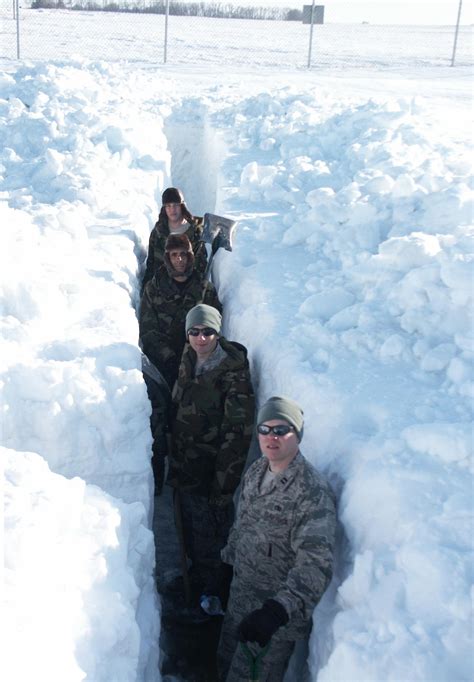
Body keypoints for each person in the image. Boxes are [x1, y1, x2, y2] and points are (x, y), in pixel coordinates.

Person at [214, 396, 337, 682]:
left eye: (282, 430)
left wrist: (276, 611)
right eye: (265, 429)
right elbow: (242, 524)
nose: (272, 437)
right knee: (222, 666)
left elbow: (316, 565)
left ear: (298, 435)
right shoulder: (256, 471)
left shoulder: (311, 493)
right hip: (239, 602)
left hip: (270, 625)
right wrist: (226, 566)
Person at [166, 303, 255, 595]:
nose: (201, 338)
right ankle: (196, 583)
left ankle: (212, 597)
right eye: (194, 331)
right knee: (191, 532)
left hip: (211, 476)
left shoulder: (233, 377)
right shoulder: (189, 357)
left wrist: (223, 488)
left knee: (212, 541)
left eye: (208, 332)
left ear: (218, 334)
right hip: (187, 466)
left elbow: (237, 437)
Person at [139, 234, 221, 495]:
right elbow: (147, 328)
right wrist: (166, 355)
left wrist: (195, 353)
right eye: (174, 255)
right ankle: (156, 483)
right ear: (167, 257)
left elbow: (215, 325)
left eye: (184, 254)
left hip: (196, 364)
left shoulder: (204, 289)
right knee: (159, 423)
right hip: (163, 368)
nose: (179, 260)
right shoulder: (155, 287)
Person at [141, 187, 207, 294]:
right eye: (168, 206)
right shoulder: (158, 233)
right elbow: (151, 265)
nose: (172, 210)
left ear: (182, 206)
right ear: (164, 208)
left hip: (191, 291)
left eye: (176, 205)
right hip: (163, 293)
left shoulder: (195, 231)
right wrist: (145, 292)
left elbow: (201, 264)